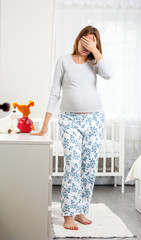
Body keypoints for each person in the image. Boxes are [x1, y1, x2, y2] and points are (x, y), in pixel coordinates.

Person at [31, 25, 114, 230]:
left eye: (91, 42)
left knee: (88, 168)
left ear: (95, 44)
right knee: (72, 166)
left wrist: (95, 51)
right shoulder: (63, 60)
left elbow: (109, 74)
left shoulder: (95, 63)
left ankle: (80, 211)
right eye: (84, 40)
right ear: (77, 40)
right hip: (69, 120)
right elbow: (54, 93)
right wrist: (45, 124)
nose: (86, 45)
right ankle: (68, 213)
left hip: (94, 120)